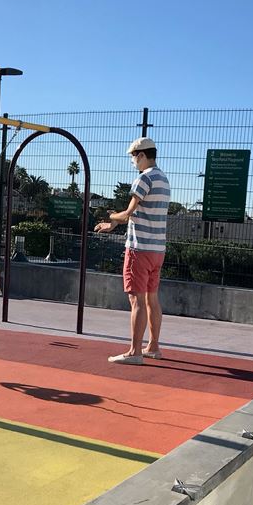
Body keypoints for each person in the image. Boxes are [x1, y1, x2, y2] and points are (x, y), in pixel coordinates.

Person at [94, 136, 170, 364]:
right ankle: (153, 346)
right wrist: (117, 221)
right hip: (158, 249)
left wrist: (112, 217)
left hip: (139, 248)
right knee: (152, 298)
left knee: (135, 300)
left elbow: (128, 213)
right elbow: (139, 213)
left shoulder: (143, 179)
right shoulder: (163, 180)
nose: (133, 162)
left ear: (143, 155)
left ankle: (134, 352)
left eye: (134, 157)